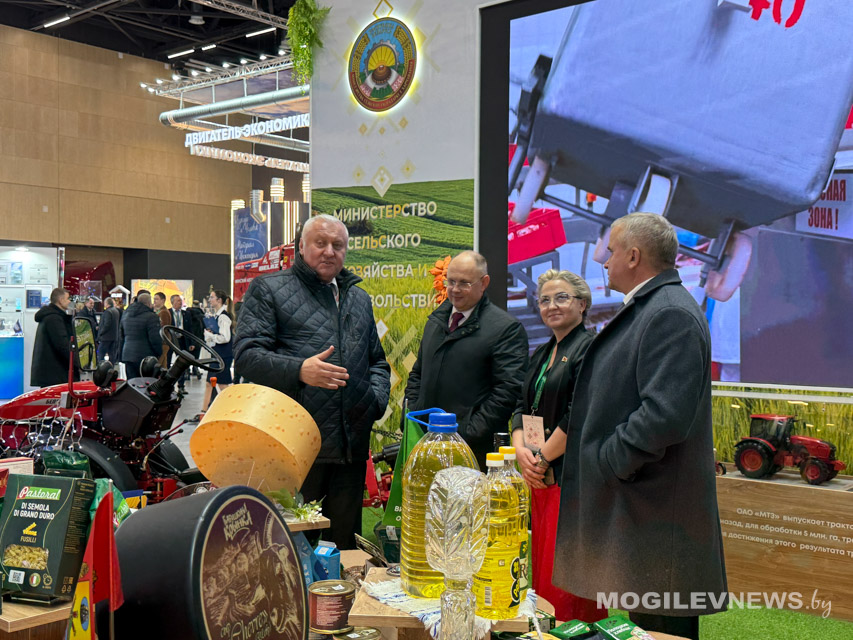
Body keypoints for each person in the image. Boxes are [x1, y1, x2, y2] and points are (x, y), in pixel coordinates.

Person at [553, 213, 728, 640]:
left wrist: (610, 460)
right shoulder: (656, 307)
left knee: (663, 631)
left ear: (634, 256)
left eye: (611, 251)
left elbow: (664, 416)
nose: (604, 261)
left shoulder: (670, 313)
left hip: (660, 527)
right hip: (648, 519)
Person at [235, 214, 391, 549]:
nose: (329, 251)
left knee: (344, 550)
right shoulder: (270, 290)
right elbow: (247, 355)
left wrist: (374, 401)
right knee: (290, 549)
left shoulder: (358, 298)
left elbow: (377, 360)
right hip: (297, 449)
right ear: (301, 247)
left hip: (350, 450)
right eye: (321, 243)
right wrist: (299, 370)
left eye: (338, 245)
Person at [510, 269, 605, 623]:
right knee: (543, 570)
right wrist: (521, 450)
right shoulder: (543, 351)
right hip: (540, 476)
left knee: (567, 578)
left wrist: (541, 459)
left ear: (583, 304)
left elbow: (579, 414)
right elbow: (521, 407)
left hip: (570, 478)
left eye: (562, 297)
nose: (552, 306)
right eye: (545, 300)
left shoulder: (591, 349)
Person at [405, 250, 528, 469]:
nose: (455, 289)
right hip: (427, 444)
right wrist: (414, 415)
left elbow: (508, 392)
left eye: (464, 283)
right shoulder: (436, 321)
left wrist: (467, 432)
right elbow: (418, 374)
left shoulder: (506, 329)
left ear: (484, 283)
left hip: (474, 453)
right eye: (450, 281)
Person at [31, 287, 78, 387]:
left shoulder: (51, 316)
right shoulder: (54, 319)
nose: (69, 301)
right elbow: (62, 345)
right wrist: (78, 363)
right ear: (60, 300)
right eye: (67, 298)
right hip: (55, 374)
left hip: (51, 372)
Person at [203, 290, 234, 411]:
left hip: (223, 355)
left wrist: (211, 336)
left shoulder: (223, 317)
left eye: (212, 297)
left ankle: (231, 410)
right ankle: (204, 411)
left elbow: (225, 338)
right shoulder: (217, 316)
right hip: (218, 354)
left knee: (222, 384)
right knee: (211, 383)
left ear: (219, 300)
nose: (210, 300)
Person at [121, 292, 163, 379]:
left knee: (132, 383)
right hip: (146, 358)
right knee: (147, 383)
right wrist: (159, 352)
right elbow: (155, 339)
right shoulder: (152, 317)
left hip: (128, 355)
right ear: (149, 303)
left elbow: (121, 336)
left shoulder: (126, 315)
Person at [169, 294, 190, 392]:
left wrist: (191, 343)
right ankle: (168, 385)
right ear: (172, 302)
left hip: (182, 340)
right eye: (178, 301)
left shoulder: (186, 314)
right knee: (168, 362)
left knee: (182, 363)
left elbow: (189, 329)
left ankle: (181, 385)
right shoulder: (168, 313)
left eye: (180, 301)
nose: (180, 302)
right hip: (170, 340)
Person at [186, 300, 206, 380]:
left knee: (187, 356)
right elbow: (203, 328)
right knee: (196, 356)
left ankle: (187, 372)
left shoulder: (187, 314)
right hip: (198, 338)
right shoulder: (202, 315)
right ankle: (195, 370)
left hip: (189, 338)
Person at [98, 297, 121, 362]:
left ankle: (101, 367)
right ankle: (111, 367)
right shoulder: (116, 311)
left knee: (101, 353)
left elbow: (107, 324)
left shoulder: (107, 312)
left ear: (107, 303)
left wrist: (100, 333)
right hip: (114, 337)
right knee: (112, 355)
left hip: (106, 337)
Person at [153, 292, 172, 368]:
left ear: (163, 300)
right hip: (164, 341)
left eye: (157, 299)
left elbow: (164, 328)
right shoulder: (159, 311)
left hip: (163, 342)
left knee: (159, 363)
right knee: (163, 363)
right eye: (154, 299)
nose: (154, 301)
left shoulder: (163, 312)